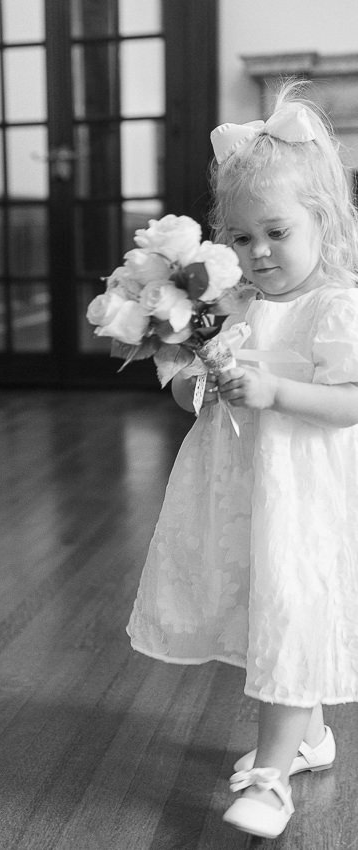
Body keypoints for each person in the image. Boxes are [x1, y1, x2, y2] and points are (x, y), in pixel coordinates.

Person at [126, 80, 358, 840]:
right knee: (265, 605)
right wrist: (198, 377)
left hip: (305, 493)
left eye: (276, 233)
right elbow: (208, 395)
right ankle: (310, 736)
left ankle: (271, 774)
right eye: (239, 238)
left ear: (323, 222)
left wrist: (274, 391)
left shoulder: (336, 306)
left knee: (290, 607)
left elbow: (349, 400)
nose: (256, 253)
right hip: (242, 489)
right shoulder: (241, 306)